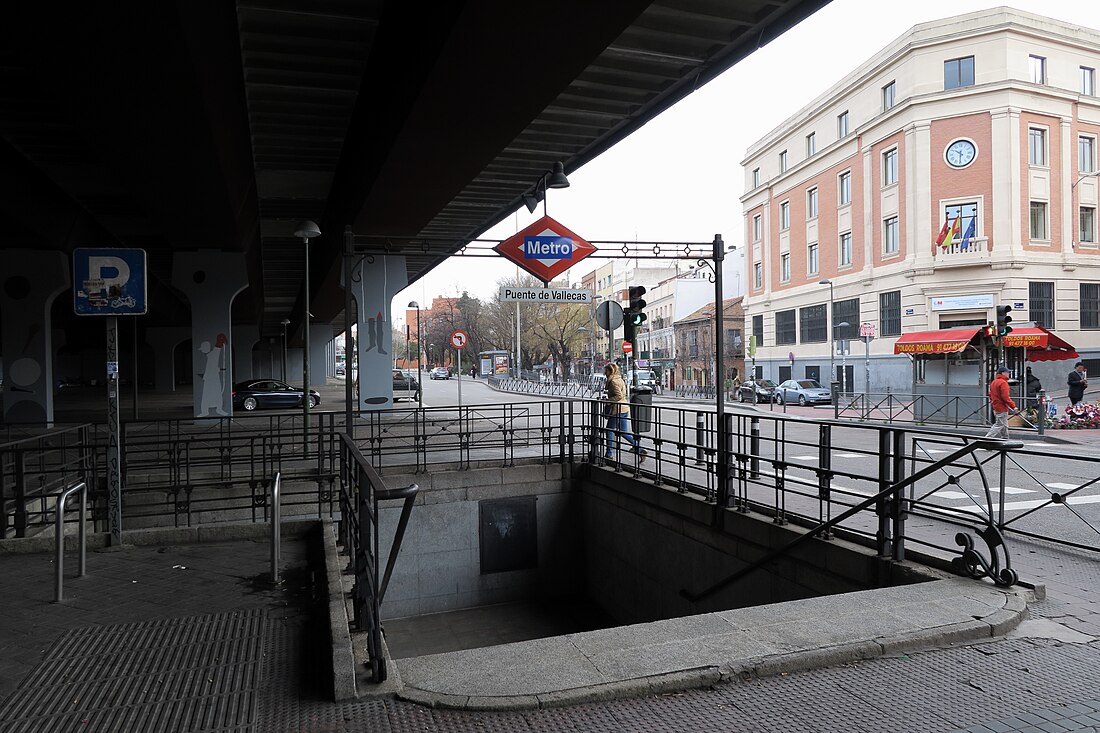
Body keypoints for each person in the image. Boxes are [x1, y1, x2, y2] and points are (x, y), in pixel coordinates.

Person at [603, 363, 646, 461]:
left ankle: (609, 454)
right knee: (623, 432)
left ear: (610, 371)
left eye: (606, 371)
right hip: (624, 408)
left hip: (617, 409)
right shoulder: (619, 379)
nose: (604, 373)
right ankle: (640, 450)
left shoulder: (613, 382)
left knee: (609, 430)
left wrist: (607, 400)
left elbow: (619, 396)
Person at [984, 366, 1016, 439]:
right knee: (1000, 424)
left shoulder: (994, 382)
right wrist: (1013, 406)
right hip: (1002, 406)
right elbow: (1005, 397)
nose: (1009, 374)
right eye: (1008, 372)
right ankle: (986, 439)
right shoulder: (1003, 383)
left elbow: (990, 394)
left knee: (1003, 424)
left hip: (996, 405)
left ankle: (1005, 438)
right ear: (1003, 373)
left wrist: (994, 402)